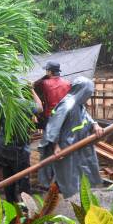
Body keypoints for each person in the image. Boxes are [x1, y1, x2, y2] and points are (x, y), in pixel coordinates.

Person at [41, 76, 103, 198]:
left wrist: (95, 124)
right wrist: (55, 146)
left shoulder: (79, 104)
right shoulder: (67, 104)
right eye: (88, 93)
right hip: (66, 146)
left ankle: (77, 197)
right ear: (82, 91)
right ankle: (53, 200)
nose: (89, 96)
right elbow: (54, 126)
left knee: (81, 171)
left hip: (80, 143)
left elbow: (85, 115)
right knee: (66, 174)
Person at [0, 88, 43, 203]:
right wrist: (32, 89)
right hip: (19, 149)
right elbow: (40, 107)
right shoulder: (23, 103)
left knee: (8, 179)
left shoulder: (1, 102)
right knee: (23, 180)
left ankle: (11, 206)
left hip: (4, 146)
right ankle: (26, 209)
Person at [34, 61, 71, 189]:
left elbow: (34, 86)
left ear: (49, 71)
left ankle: (45, 183)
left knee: (47, 151)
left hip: (51, 120)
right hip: (65, 120)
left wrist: (44, 77)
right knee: (62, 149)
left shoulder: (44, 83)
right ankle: (60, 183)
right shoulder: (67, 83)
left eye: (46, 71)